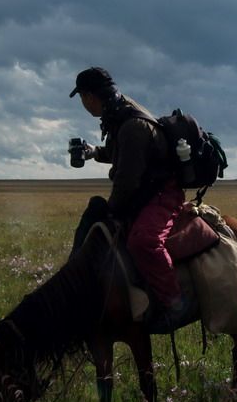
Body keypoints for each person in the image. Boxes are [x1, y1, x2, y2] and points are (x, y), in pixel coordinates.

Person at [67, 67, 190, 331]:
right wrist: (92, 152)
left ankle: (175, 303)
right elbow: (116, 152)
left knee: (143, 241)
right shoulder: (119, 113)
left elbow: (127, 180)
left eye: (82, 99)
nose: (84, 105)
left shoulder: (131, 124)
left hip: (162, 193)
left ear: (89, 96)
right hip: (145, 192)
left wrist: (114, 211)